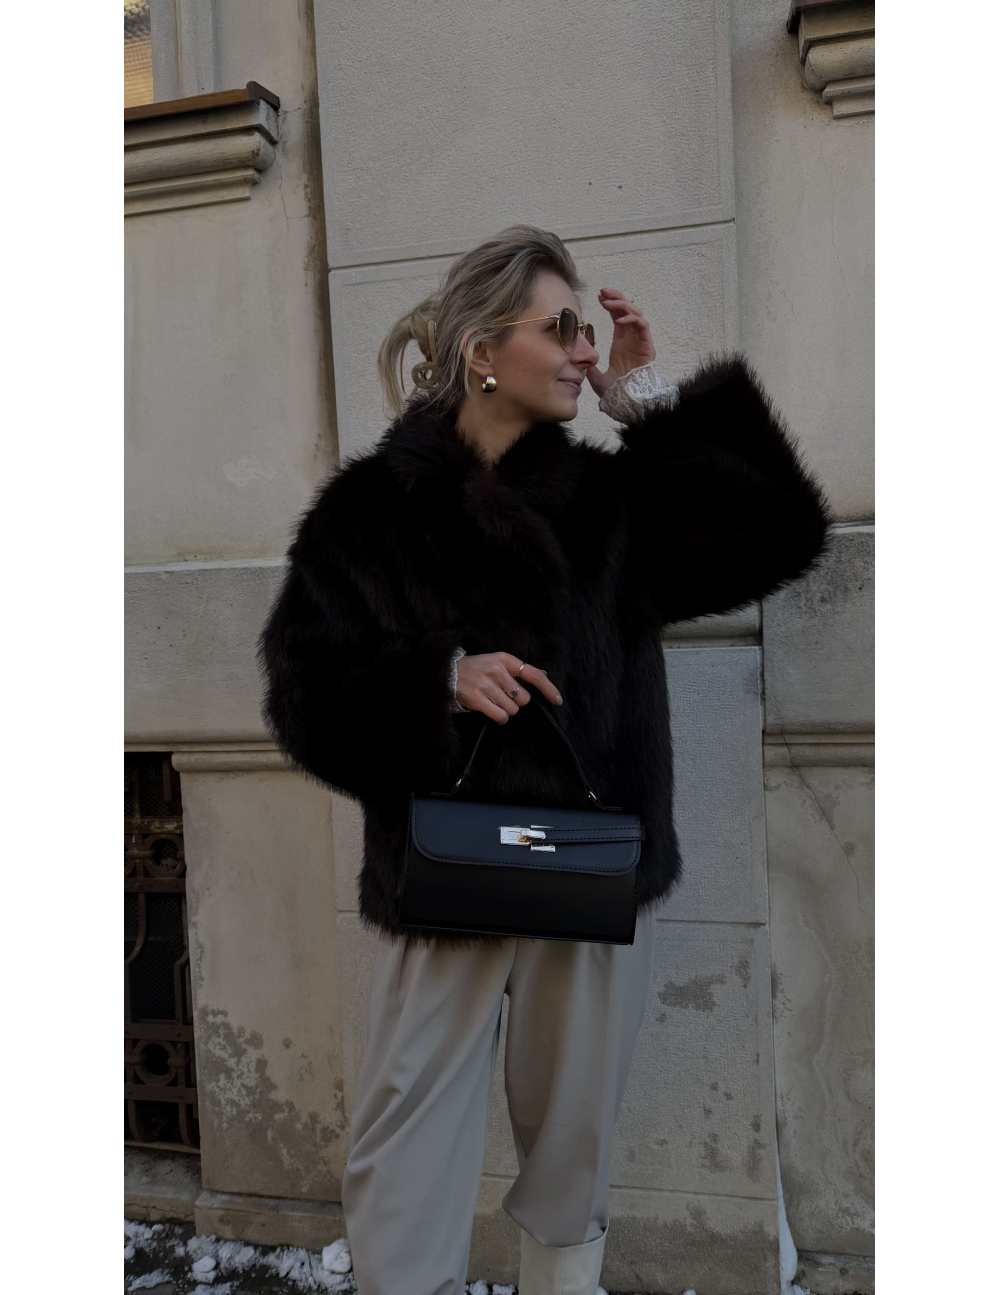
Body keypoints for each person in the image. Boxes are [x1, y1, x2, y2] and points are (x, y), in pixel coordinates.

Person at [258, 225, 829, 1295]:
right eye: (560, 328)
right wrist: (435, 677)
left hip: (589, 866)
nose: (582, 349)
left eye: (586, 330)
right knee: (404, 1138)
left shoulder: (613, 503)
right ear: (482, 350)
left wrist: (646, 404)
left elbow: (781, 538)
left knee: (574, 1141)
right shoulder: (369, 515)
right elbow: (302, 698)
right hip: (442, 872)